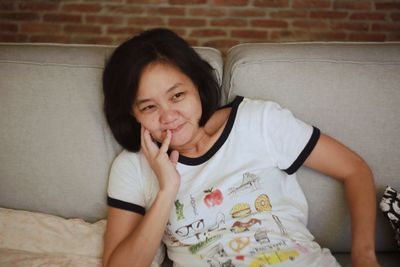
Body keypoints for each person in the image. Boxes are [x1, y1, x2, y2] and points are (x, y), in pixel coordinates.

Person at [101, 28, 380, 267]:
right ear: (132, 114)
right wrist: (166, 191)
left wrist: (364, 255)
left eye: (177, 95)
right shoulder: (133, 167)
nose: (168, 116)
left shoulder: (258, 121)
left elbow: (354, 169)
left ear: (197, 85)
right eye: (149, 107)